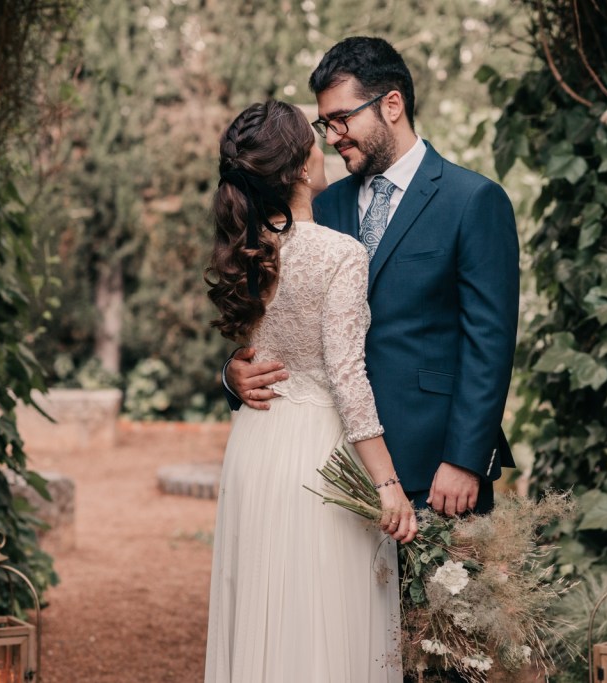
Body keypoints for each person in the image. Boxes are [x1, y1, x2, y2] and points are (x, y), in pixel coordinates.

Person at [226, 36, 519, 516]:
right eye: (325, 124)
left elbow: (490, 342)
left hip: (435, 469)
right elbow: (282, 316)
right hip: (331, 470)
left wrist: (464, 459)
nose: (332, 136)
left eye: (342, 117)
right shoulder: (320, 206)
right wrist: (233, 375)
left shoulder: (473, 201)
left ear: (392, 105)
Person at [204, 100, 416, 682]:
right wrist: (388, 486)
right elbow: (348, 377)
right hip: (319, 457)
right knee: (323, 614)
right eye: (315, 139)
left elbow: (258, 349)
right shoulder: (340, 254)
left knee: (264, 607)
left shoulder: (245, 252)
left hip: (256, 445)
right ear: (301, 167)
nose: (327, 145)